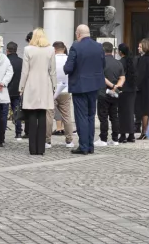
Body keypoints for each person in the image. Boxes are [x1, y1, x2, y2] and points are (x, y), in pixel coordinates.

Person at [64, 24, 105, 155]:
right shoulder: (99, 46)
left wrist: (65, 68)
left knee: (81, 116)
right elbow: (103, 64)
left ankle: (83, 146)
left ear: (78, 34)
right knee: (91, 116)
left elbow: (68, 68)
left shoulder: (76, 46)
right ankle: (90, 146)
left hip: (80, 86)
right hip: (94, 86)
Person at [19, 28, 56, 155]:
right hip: (45, 85)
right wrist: (54, 86)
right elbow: (53, 71)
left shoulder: (28, 49)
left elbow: (25, 71)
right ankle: (41, 148)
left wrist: (21, 87)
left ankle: (32, 148)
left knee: (32, 116)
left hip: (31, 84)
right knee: (43, 115)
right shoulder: (50, 49)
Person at [96, 41, 124, 147]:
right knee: (114, 116)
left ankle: (103, 139)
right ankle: (115, 139)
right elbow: (123, 77)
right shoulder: (118, 63)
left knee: (103, 117)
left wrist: (112, 86)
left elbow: (101, 78)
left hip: (103, 93)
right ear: (112, 50)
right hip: (115, 94)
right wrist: (117, 87)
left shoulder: (100, 62)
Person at [52, 41, 75, 147]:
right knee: (67, 116)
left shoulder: (51, 60)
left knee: (49, 115)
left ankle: (47, 140)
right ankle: (69, 140)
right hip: (65, 90)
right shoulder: (69, 60)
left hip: (53, 90)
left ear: (54, 49)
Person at [134, 38, 149, 140]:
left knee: (144, 110)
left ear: (145, 46)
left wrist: (136, 86)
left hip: (143, 86)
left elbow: (140, 75)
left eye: (140, 46)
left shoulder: (142, 59)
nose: (138, 48)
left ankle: (144, 131)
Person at [116, 43, 137, 143]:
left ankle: (123, 135)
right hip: (132, 89)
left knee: (122, 113)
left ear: (120, 52)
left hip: (123, 89)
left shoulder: (120, 62)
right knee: (130, 112)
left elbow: (118, 76)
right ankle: (131, 134)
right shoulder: (133, 61)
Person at [5, 41, 24, 141]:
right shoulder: (21, 61)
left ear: (7, 50)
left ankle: (1, 133)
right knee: (17, 112)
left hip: (5, 90)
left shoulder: (4, 60)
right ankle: (18, 133)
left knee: (3, 113)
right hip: (17, 90)